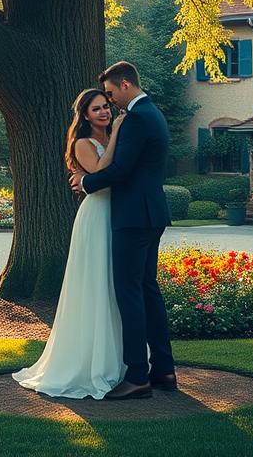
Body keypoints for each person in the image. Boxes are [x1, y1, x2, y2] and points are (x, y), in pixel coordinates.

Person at [69, 61, 175, 400]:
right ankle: (164, 369)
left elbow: (120, 171)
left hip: (133, 217)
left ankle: (138, 375)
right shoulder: (152, 113)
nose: (110, 101)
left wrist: (86, 183)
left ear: (125, 85)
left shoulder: (137, 118)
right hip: (150, 213)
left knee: (129, 294)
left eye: (111, 93)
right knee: (147, 290)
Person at [12, 87, 126, 398]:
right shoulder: (82, 144)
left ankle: (119, 359)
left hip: (118, 213)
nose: (104, 112)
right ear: (85, 116)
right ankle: (90, 362)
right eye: (96, 109)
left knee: (114, 285)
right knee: (96, 282)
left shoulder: (111, 138)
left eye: (106, 106)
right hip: (97, 214)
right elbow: (101, 174)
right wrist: (117, 133)